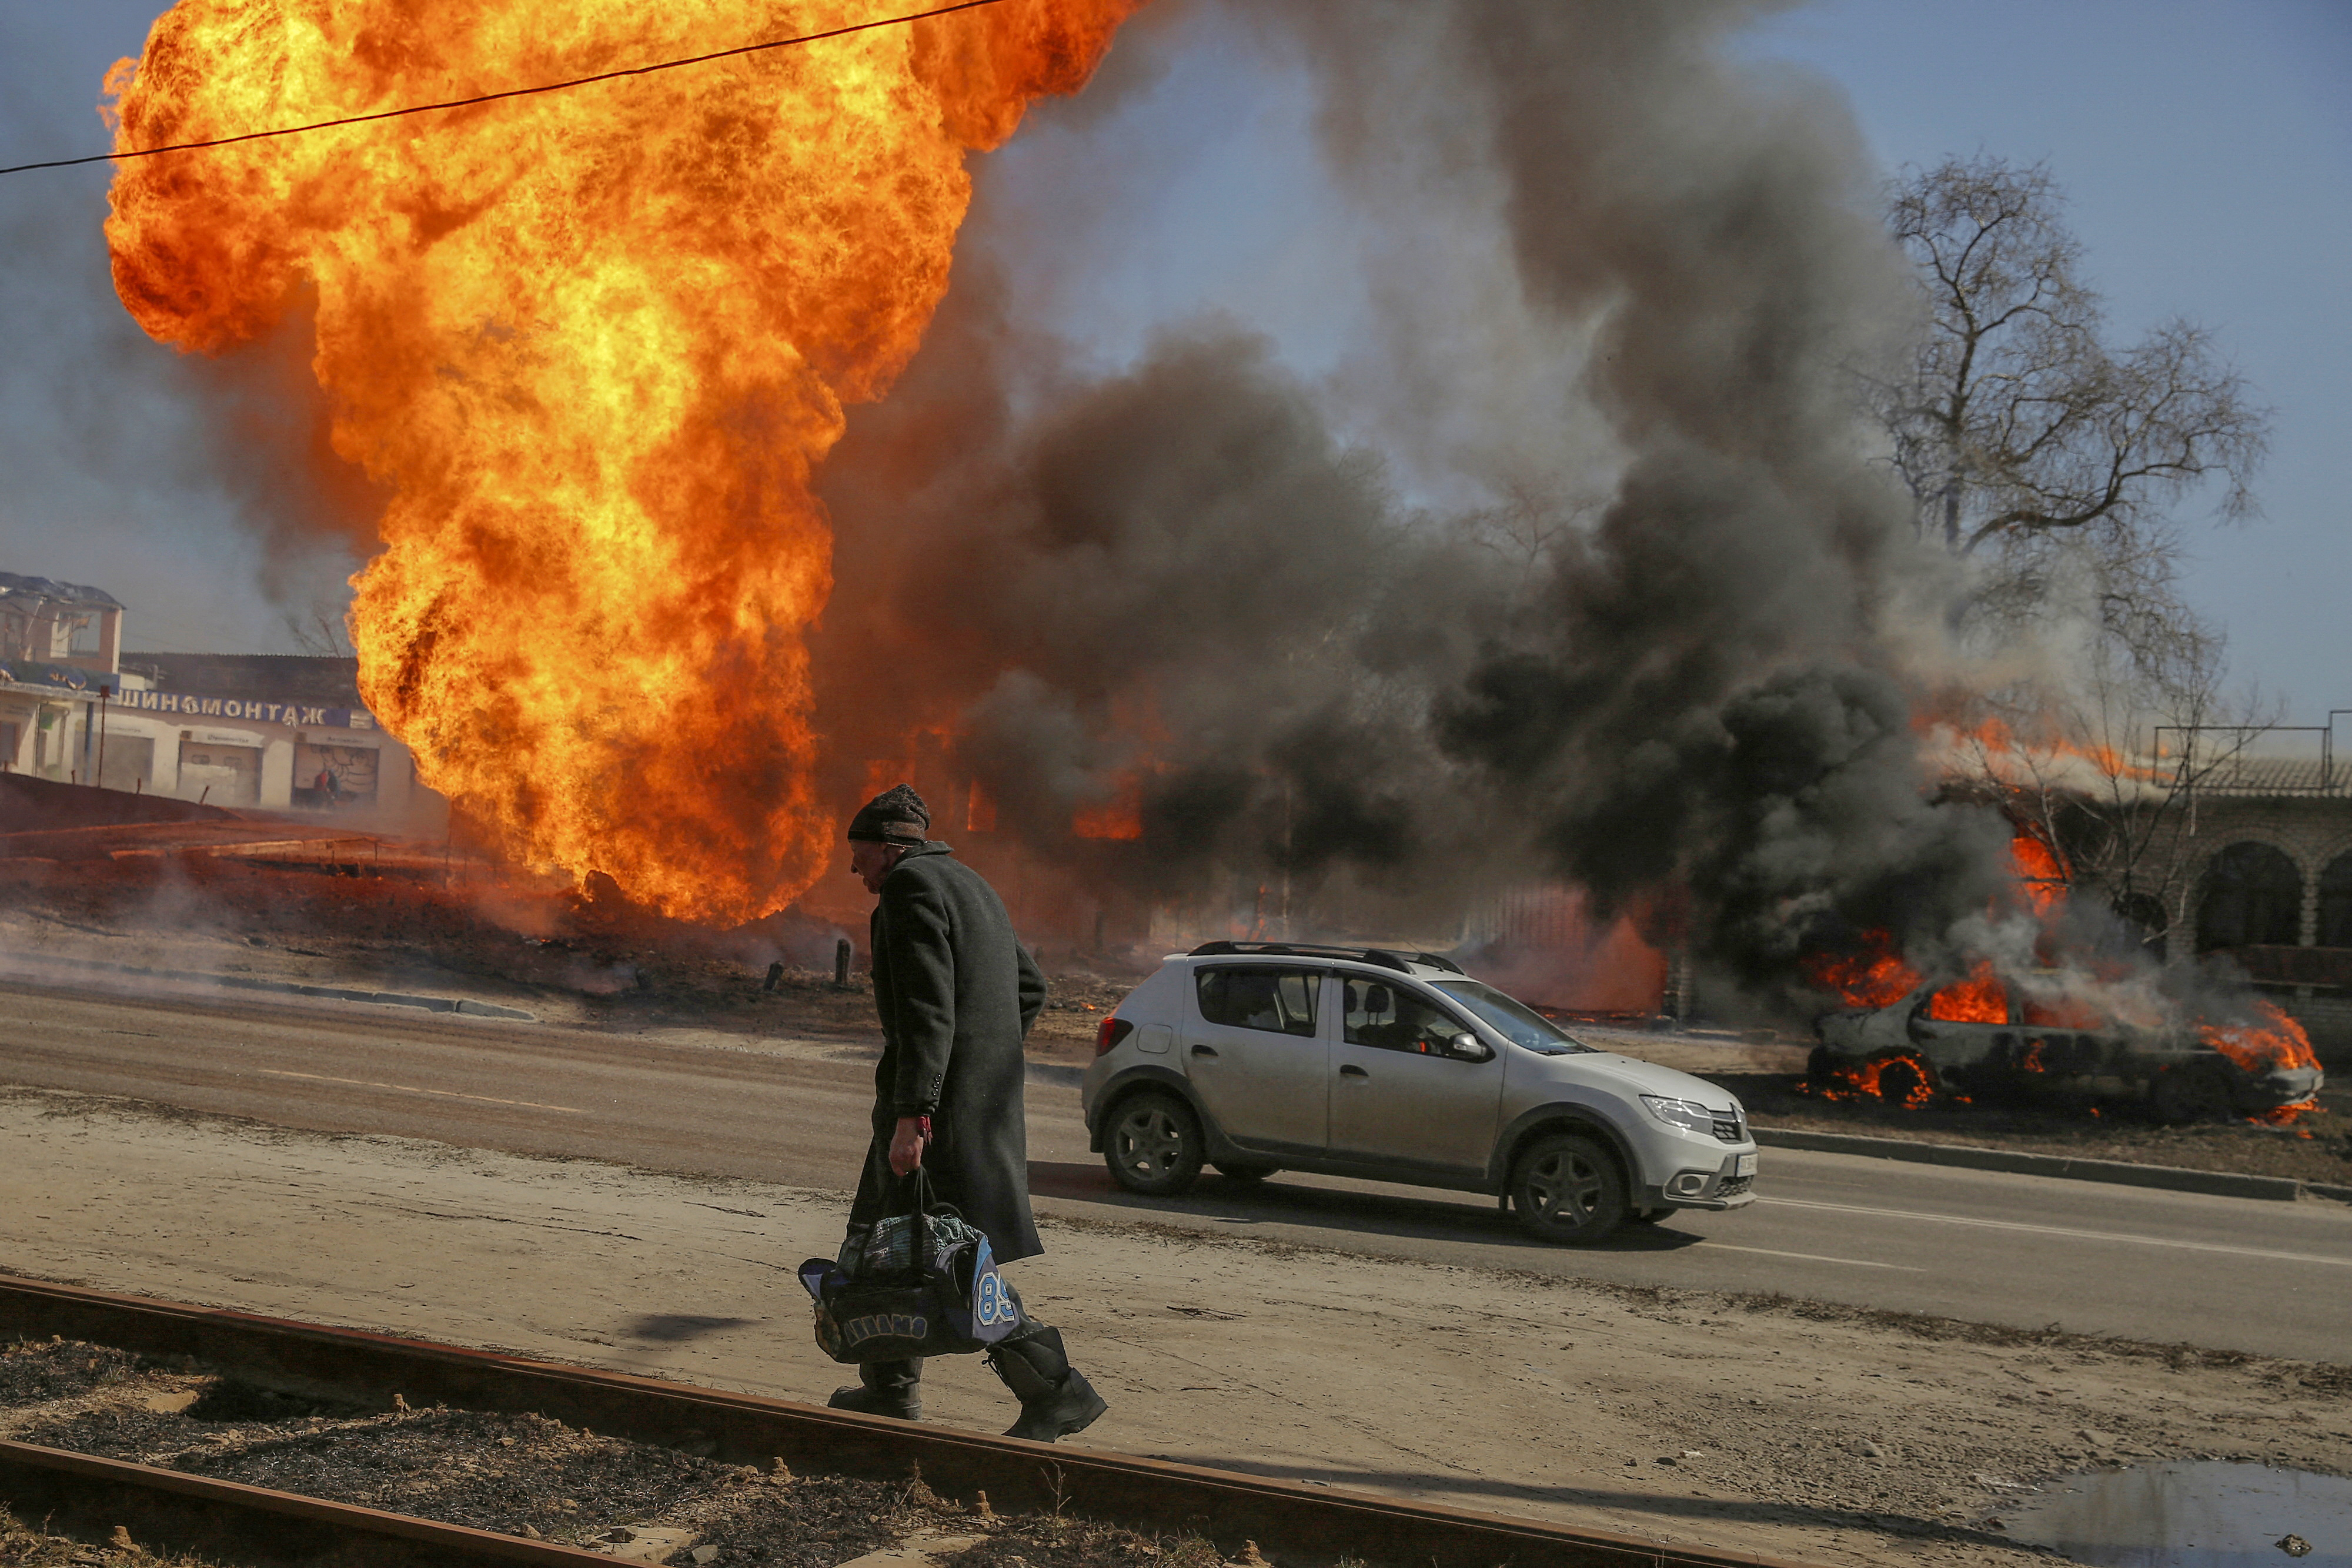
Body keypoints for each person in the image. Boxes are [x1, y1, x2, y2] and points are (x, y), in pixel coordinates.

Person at [827, 783, 1108, 1442]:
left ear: (890, 849)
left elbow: (927, 1013)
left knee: (953, 1263)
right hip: (973, 1108)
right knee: (889, 1248)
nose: (853, 869)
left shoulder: (909, 889)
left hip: (935, 1117)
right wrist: (987, 1060)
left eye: (859, 853)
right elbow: (1029, 988)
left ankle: (1060, 1392)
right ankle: (888, 1391)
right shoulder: (971, 884)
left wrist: (915, 1116)